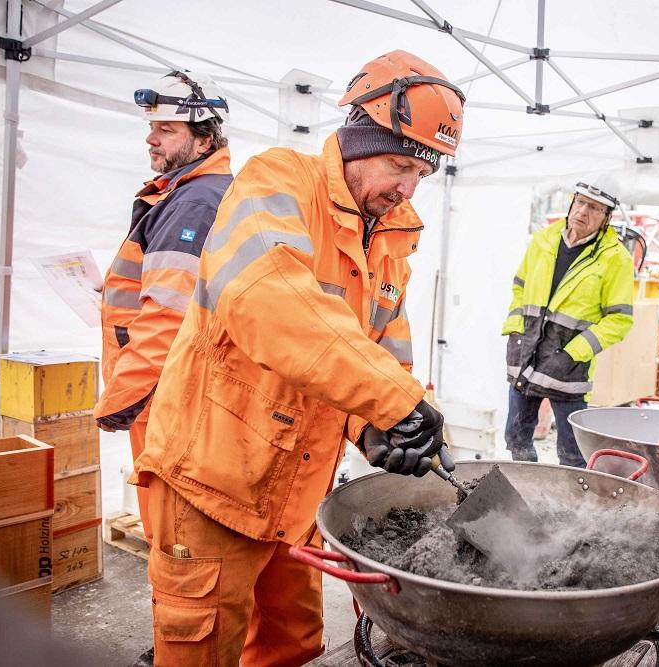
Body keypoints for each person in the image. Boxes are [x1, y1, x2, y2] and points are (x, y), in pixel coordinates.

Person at [131, 51, 464, 666]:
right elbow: (270, 299)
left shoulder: (388, 242)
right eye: (398, 164)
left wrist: (379, 426)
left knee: (291, 645)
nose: (407, 189)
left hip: (296, 491)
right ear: (356, 139)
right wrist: (393, 404)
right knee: (199, 648)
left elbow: (383, 358)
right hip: (215, 479)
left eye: (422, 172)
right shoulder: (276, 181)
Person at [93, 71, 233, 545]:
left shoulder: (196, 201)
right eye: (151, 127)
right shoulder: (183, 192)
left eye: (167, 130)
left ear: (204, 138)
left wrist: (122, 400)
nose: (151, 139)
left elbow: (170, 313)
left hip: (164, 392)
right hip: (162, 386)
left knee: (173, 545)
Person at [502, 180, 635, 467]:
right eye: (581, 202)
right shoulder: (543, 240)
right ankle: (523, 490)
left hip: (568, 368)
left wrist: (574, 353)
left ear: (607, 218)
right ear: (572, 202)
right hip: (526, 356)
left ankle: (570, 504)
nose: (584, 212)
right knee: (515, 438)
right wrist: (515, 329)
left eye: (595, 208)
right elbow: (519, 287)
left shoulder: (615, 259)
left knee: (573, 452)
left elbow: (620, 320)